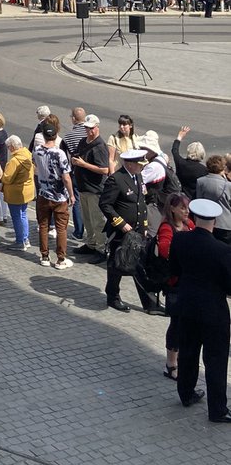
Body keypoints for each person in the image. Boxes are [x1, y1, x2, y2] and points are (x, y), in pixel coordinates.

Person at [169, 197, 231, 422]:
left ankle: (185, 394)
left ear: (194, 217)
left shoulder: (180, 240)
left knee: (188, 352)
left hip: (186, 305)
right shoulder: (222, 250)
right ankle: (217, 410)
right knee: (215, 359)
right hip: (214, 311)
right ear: (214, 220)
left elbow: (174, 269)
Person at [100, 148, 149, 312]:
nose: (142, 167)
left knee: (139, 266)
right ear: (129, 164)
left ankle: (149, 302)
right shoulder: (116, 180)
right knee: (117, 265)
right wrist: (121, 224)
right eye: (139, 164)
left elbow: (141, 202)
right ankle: (113, 296)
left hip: (138, 231)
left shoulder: (138, 176)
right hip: (121, 233)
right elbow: (105, 204)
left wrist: (144, 226)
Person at [155, 193, 194, 382]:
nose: (187, 211)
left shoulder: (189, 225)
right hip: (175, 285)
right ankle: (171, 364)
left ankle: (179, 360)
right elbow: (164, 250)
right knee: (176, 324)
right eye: (182, 208)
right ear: (172, 209)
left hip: (188, 284)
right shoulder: (167, 228)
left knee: (184, 324)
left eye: (187, 207)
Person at [31, 123, 75, 269]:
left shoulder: (37, 150)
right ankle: (61, 259)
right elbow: (66, 177)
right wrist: (72, 194)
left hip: (43, 193)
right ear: (56, 136)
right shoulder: (59, 153)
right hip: (59, 196)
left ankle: (44, 256)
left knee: (43, 225)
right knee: (61, 228)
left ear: (43, 135)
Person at [70, 114, 109, 260]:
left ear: (97, 128)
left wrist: (83, 164)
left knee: (97, 221)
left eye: (91, 128)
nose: (88, 131)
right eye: (86, 128)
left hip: (95, 189)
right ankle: (91, 243)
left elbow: (105, 170)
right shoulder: (83, 141)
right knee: (87, 219)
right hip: (83, 187)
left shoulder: (100, 146)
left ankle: (101, 249)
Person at [0, 134, 34, 251]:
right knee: (23, 214)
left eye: (9, 147)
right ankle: (25, 238)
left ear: (12, 147)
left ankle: (20, 241)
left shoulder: (14, 161)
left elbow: (7, 178)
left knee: (16, 216)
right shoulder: (28, 155)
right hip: (27, 190)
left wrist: (2, 176)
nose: (8, 150)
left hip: (15, 193)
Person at [172, 126, 209, 198]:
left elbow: (174, 151)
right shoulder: (203, 169)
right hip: (195, 198)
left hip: (181, 196)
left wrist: (179, 137)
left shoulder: (181, 163)